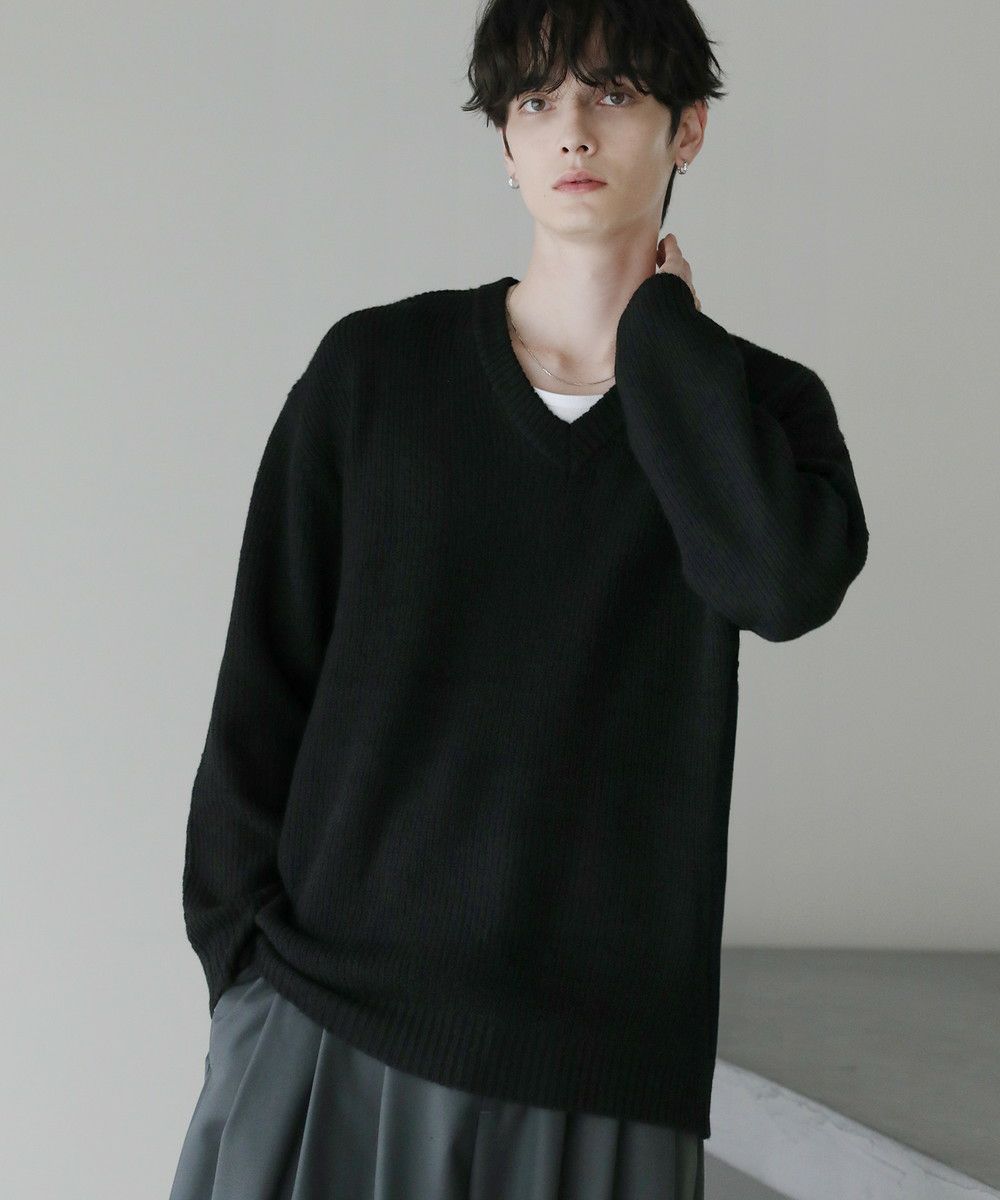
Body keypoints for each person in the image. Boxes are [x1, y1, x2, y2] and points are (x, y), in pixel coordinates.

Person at [170, 3, 869, 1198]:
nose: (572, 131)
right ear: (503, 140)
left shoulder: (754, 408)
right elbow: (263, 682)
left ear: (687, 129)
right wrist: (242, 972)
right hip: (330, 1026)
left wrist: (667, 343)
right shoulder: (374, 374)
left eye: (613, 95)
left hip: (600, 1074)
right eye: (536, 102)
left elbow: (778, 583)